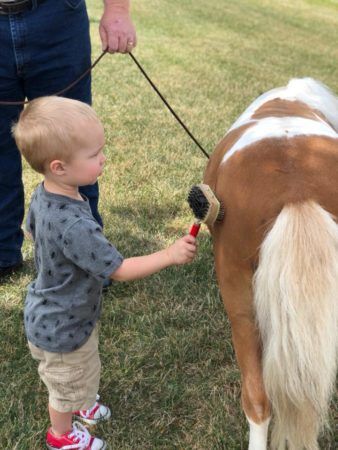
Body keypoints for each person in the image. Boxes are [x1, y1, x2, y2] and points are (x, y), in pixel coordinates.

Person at [12, 96, 197, 450]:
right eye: (94, 154)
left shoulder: (44, 193)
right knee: (64, 384)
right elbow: (120, 269)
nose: (103, 159)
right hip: (63, 325)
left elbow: (30, 229)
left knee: (81, 372)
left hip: (56, 309)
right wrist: (170, 254)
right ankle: (61, 435)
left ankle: (83, 400)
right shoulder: (74, 226)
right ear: (59, 167)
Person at [0, 0, 136, 278]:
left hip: (57, 16)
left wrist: (118, 10)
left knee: (72, 146)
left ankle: (85, 259)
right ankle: (3, 253)